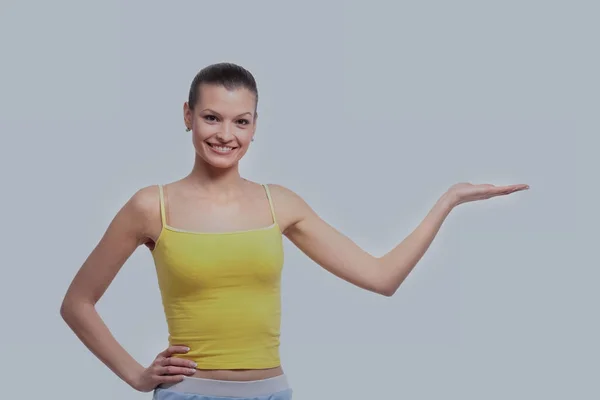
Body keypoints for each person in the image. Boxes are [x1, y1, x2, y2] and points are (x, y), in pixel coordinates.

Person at [59, 62, 529, 400]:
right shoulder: (150, 206)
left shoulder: (278, 203)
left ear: (255, 125)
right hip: (190, 396)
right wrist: (136, 376)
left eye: (241, 121)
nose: (226, 134)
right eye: (212, 117)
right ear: (187, 115)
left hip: (273, 393)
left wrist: (447, 201)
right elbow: (77, 303)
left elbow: (383, 278)